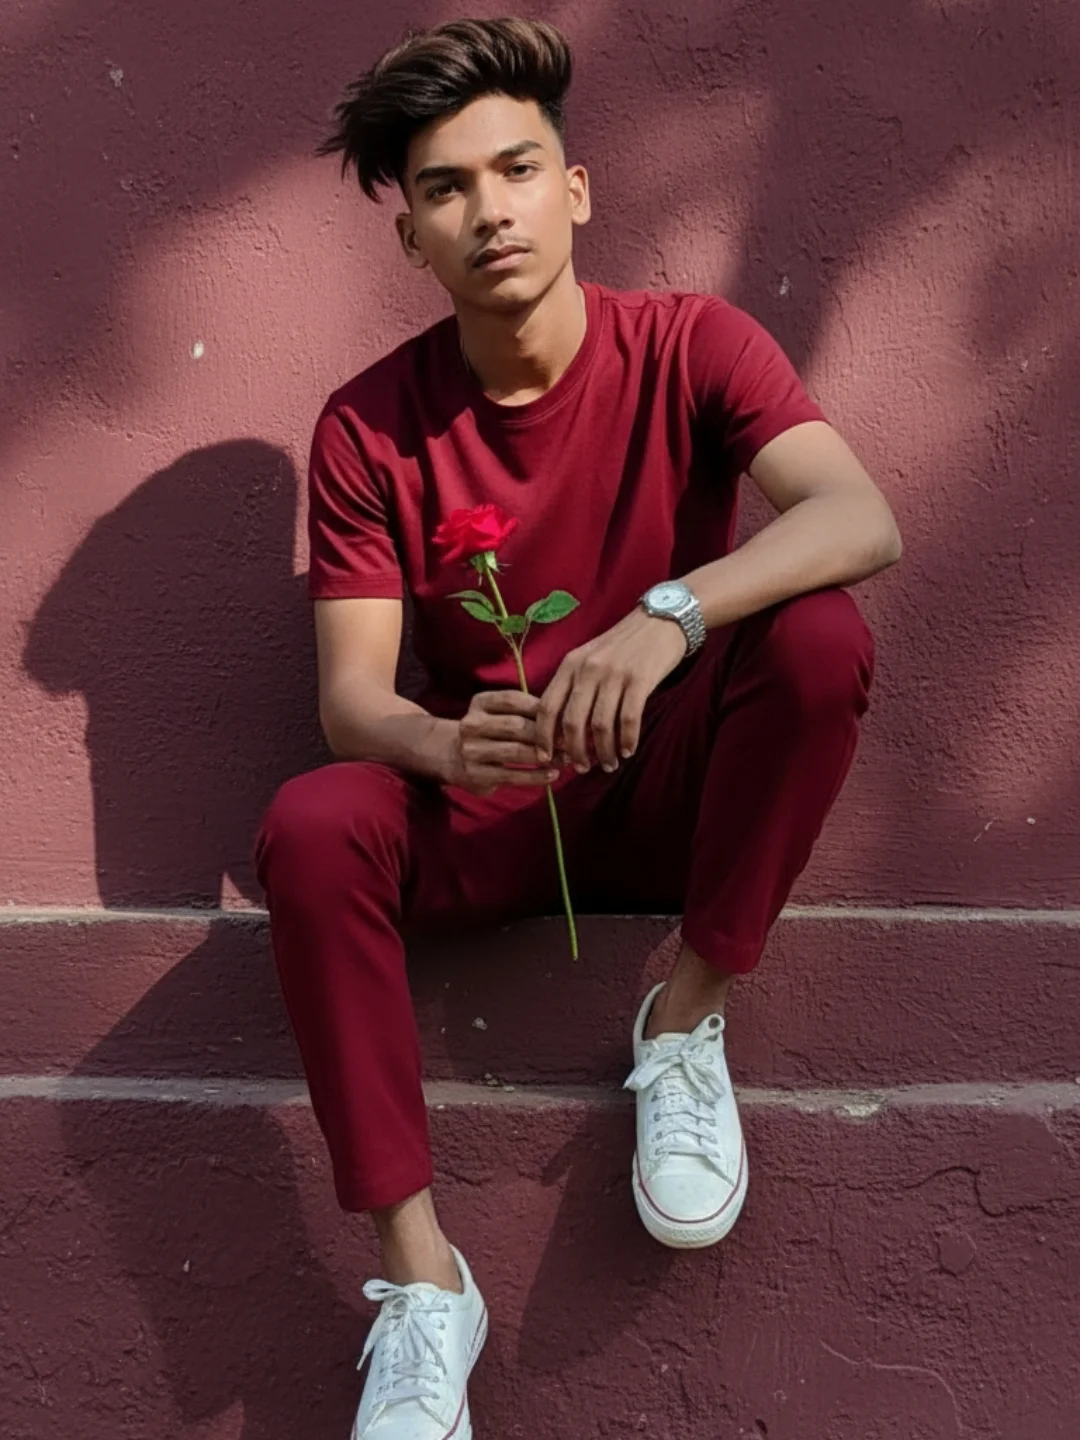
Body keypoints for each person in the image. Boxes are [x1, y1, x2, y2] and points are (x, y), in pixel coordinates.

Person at [255, 16, 901, 1439]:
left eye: (518, 169)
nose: (490, 211)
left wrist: (671, 612)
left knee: (819, 637)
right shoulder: (369, 426)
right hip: (494, 806)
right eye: (445, 189)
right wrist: (440, 743)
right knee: (312, 822)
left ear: (577, 188)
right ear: (411, 237)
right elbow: (352, 702)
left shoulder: (693, 344)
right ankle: (427, 1285)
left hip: (672, 784)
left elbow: (860, 517)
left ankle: (685, 1023)